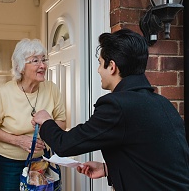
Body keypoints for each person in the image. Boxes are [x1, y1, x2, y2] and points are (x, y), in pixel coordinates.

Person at [31, 29, 189, 191]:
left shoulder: (116, 106)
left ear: (112, 67)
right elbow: (153, 160)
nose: (99, 70)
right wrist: (107, 169)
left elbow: (65, 145)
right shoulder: (163, 103)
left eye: (100, 63)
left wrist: (46, 121)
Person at [0, 38, 66, 191]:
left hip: (41, 160)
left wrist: (45, 132)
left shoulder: (52, 89)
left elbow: (61, 121)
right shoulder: (3, 93)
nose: (42, 65)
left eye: (44, 60)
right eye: (35, 61)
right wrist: (19, 141)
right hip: (9, 162)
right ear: (20, 67)